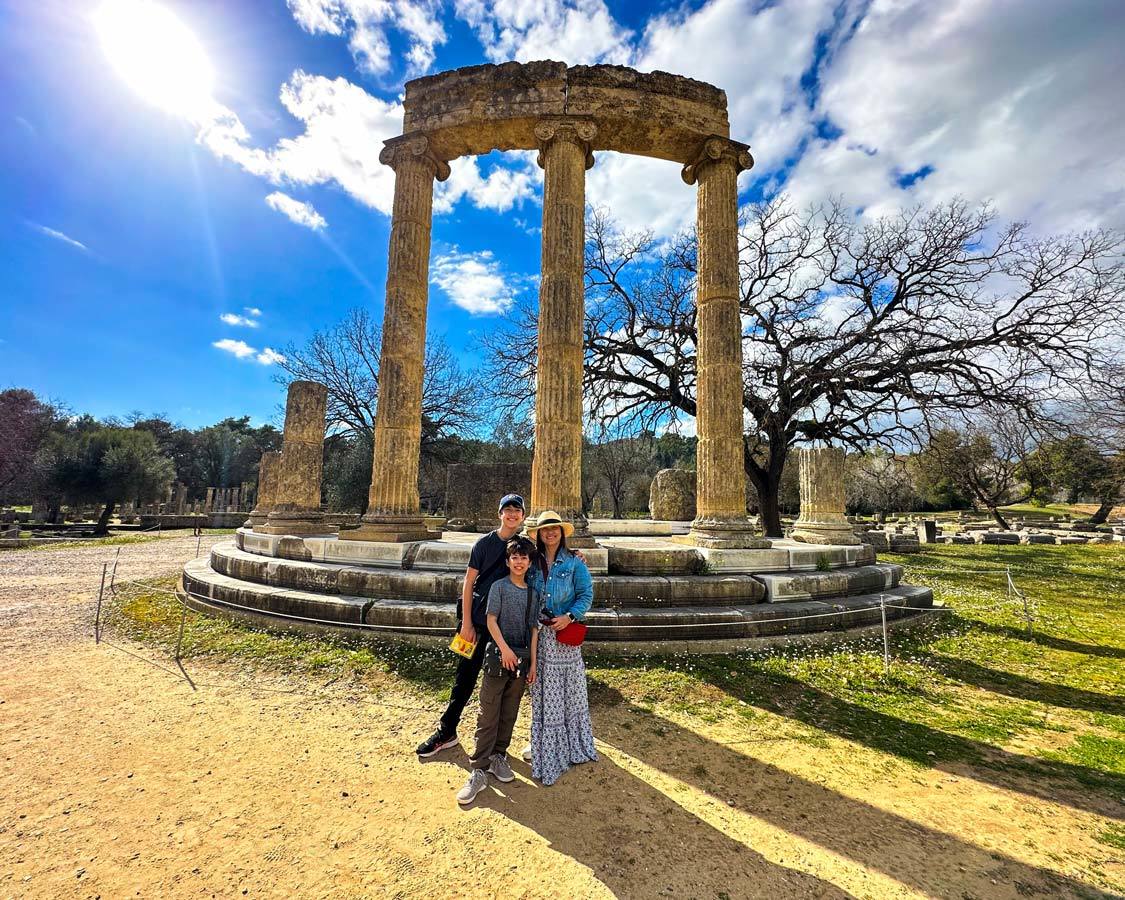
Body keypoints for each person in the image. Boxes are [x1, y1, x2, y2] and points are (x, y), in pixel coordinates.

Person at [416, 493, 527, 757]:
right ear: (499, 513)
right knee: (464, 678)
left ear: (523, 516)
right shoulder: (484, 544)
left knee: (500, 683)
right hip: (475, 622)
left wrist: (575, 555)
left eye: (517, 510)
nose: (512, 515)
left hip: (504, 627)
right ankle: (447, 731)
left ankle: (496, 744)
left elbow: (547, 556)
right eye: (507, 510)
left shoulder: (523, 546)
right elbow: (468, 583)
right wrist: (466, 623)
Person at [457, 536, 542, 804]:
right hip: (499, 656)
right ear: (507, 562)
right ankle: (479, 769)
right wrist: (504, 649)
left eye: (523, 558)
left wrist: (534, 662)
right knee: (488, 712)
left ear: (530, 563)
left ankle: (498, 756)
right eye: (514, 558)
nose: (519, 562)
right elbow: (491, 620)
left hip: (521, 660)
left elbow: (534, 630)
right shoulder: (499, 587)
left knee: (509, 711)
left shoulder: (533, 593)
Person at [525, 510, 597, 786]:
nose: (550, 533)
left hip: (564, 635)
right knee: (544, 690)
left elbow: (586, 595)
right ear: (539, 535)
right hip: (540, 636)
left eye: (555, 529)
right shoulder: (532, 561)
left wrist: (569, 616)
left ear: (562, 532)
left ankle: (570, 744)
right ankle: (545, 743)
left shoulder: (574, 562)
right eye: (545, 530)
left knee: (570, 690)